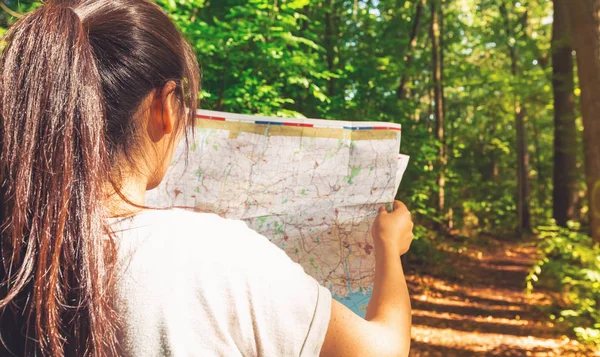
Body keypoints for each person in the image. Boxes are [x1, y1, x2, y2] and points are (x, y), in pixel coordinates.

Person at [0, 0, 414, 356]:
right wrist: (387, 248)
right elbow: (380, 349)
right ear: (163, 106)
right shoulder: (211, 254)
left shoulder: (14, 253)